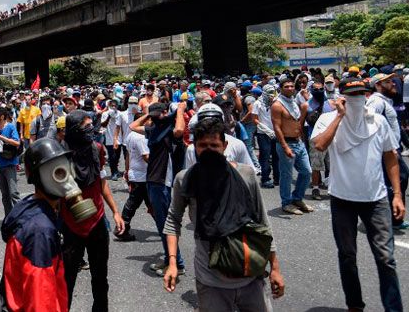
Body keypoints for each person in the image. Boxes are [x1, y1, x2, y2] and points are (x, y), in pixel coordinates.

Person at [163, 118, 285, 310]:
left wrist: (275, 268)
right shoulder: (185, 179)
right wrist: (172, 262)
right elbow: (173, 220)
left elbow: (262, 221)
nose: (209, 150)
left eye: (214, 145)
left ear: (225, 146)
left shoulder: (246, 174)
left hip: (250, 273)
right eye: (203, 145)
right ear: (194, 146)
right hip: (210, 279)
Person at [311, 77, 404, 312]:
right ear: (341, 97)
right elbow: (320, 146)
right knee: (347, 256)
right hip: (342, 200)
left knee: (386, 258)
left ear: (367, 95)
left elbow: (390, 156)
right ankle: (355, 305)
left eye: (361, 94)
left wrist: (398, 195)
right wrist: (340, 116)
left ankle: (393, 308)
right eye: (351, 96)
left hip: (377, 199)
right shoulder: (327, 119)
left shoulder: (379, 121)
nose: (357, 100)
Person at [0, 138, 75, 312]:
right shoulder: (40, 231)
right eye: (55, 171)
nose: (64, 176)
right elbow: (41, 300)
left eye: (64, 167)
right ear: (38, 177)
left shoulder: (32, 206)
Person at [62, 110, 124, 311]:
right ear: (73, 130)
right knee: (66, 279)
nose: (90, 130)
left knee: (100, 277)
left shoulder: (97, 149)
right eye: (85, 127)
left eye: (91, 125)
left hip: (97, 222)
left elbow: (102, 181)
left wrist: (115, 211)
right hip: (70, 226)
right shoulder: (60, 155)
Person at [130, 102, 186, 277]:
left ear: (165, 113)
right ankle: (174, 259)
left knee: (165, 225)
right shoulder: (154, 130)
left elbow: (179, 131)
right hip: (153, 181)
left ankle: (177, 263)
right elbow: (133, 126)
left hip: (162, 182)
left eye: (158, 114)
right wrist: (149, 114)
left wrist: (180, 112)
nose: (155, 118)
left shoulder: (169, 131)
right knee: (162, 224)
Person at [367, 73, 409, 231]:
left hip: (392, 148)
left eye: (392, 80)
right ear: (378, 85)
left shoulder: (385, 101)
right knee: (394, 181)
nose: (393, 84)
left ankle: (395, 219)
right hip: (386, 150)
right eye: (388, 81)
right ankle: (387, 219)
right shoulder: (376, 102)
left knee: (400, 180)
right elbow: (370, 124)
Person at [271, 79, 313, 216]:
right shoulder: (278, 105)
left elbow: (298, 123)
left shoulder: (294, 103)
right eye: (286, 86)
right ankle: (286, 203)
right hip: (286, 143)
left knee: (307, 172)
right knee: (287, 175)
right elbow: (276, 127)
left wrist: (301, 138)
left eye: (291, 86)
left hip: (298, 142)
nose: (290, 88)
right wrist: (284, 146)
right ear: (281, 88)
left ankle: (297, 198)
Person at [117, 110, 150, 242]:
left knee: (140, 202)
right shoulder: (140, 137)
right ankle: (122, 228)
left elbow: (128, 155)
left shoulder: (131, 135)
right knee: (135, 203)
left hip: (137, 174)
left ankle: (122, 228)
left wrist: (126, 170)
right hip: (142, 175)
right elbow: (146, 157)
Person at [0, 107, 21, 216]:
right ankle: (9, 218)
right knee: (5, 195)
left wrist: (1, 137)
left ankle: (20, 217)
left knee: (14, 193)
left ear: (2, 117)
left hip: (10, 164)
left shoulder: (11, 127)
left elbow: (17, 143)